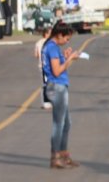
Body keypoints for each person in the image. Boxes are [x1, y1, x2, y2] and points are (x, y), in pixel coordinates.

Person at [42, 22, 81, 169]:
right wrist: (70, 59)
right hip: (57, 87)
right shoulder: (52, 47)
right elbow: (57, 71)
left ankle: (64, 154)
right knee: (59, 124)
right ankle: (55, 156)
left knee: (67, 123)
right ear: (59, 35)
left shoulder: (54, 47)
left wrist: (66, 57)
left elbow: (58, 66)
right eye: (67, 38)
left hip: (59, 86)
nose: (67, 41)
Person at [34, 27, 53, 109]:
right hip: (47, 66)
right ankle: (46, 102)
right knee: (47, 84)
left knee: (46, 83)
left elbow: (36, 55)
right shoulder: (50, 43)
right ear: (46, 34)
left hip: (42, 65)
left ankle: (47, 101)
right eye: (50, 33)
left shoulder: (38, 43)